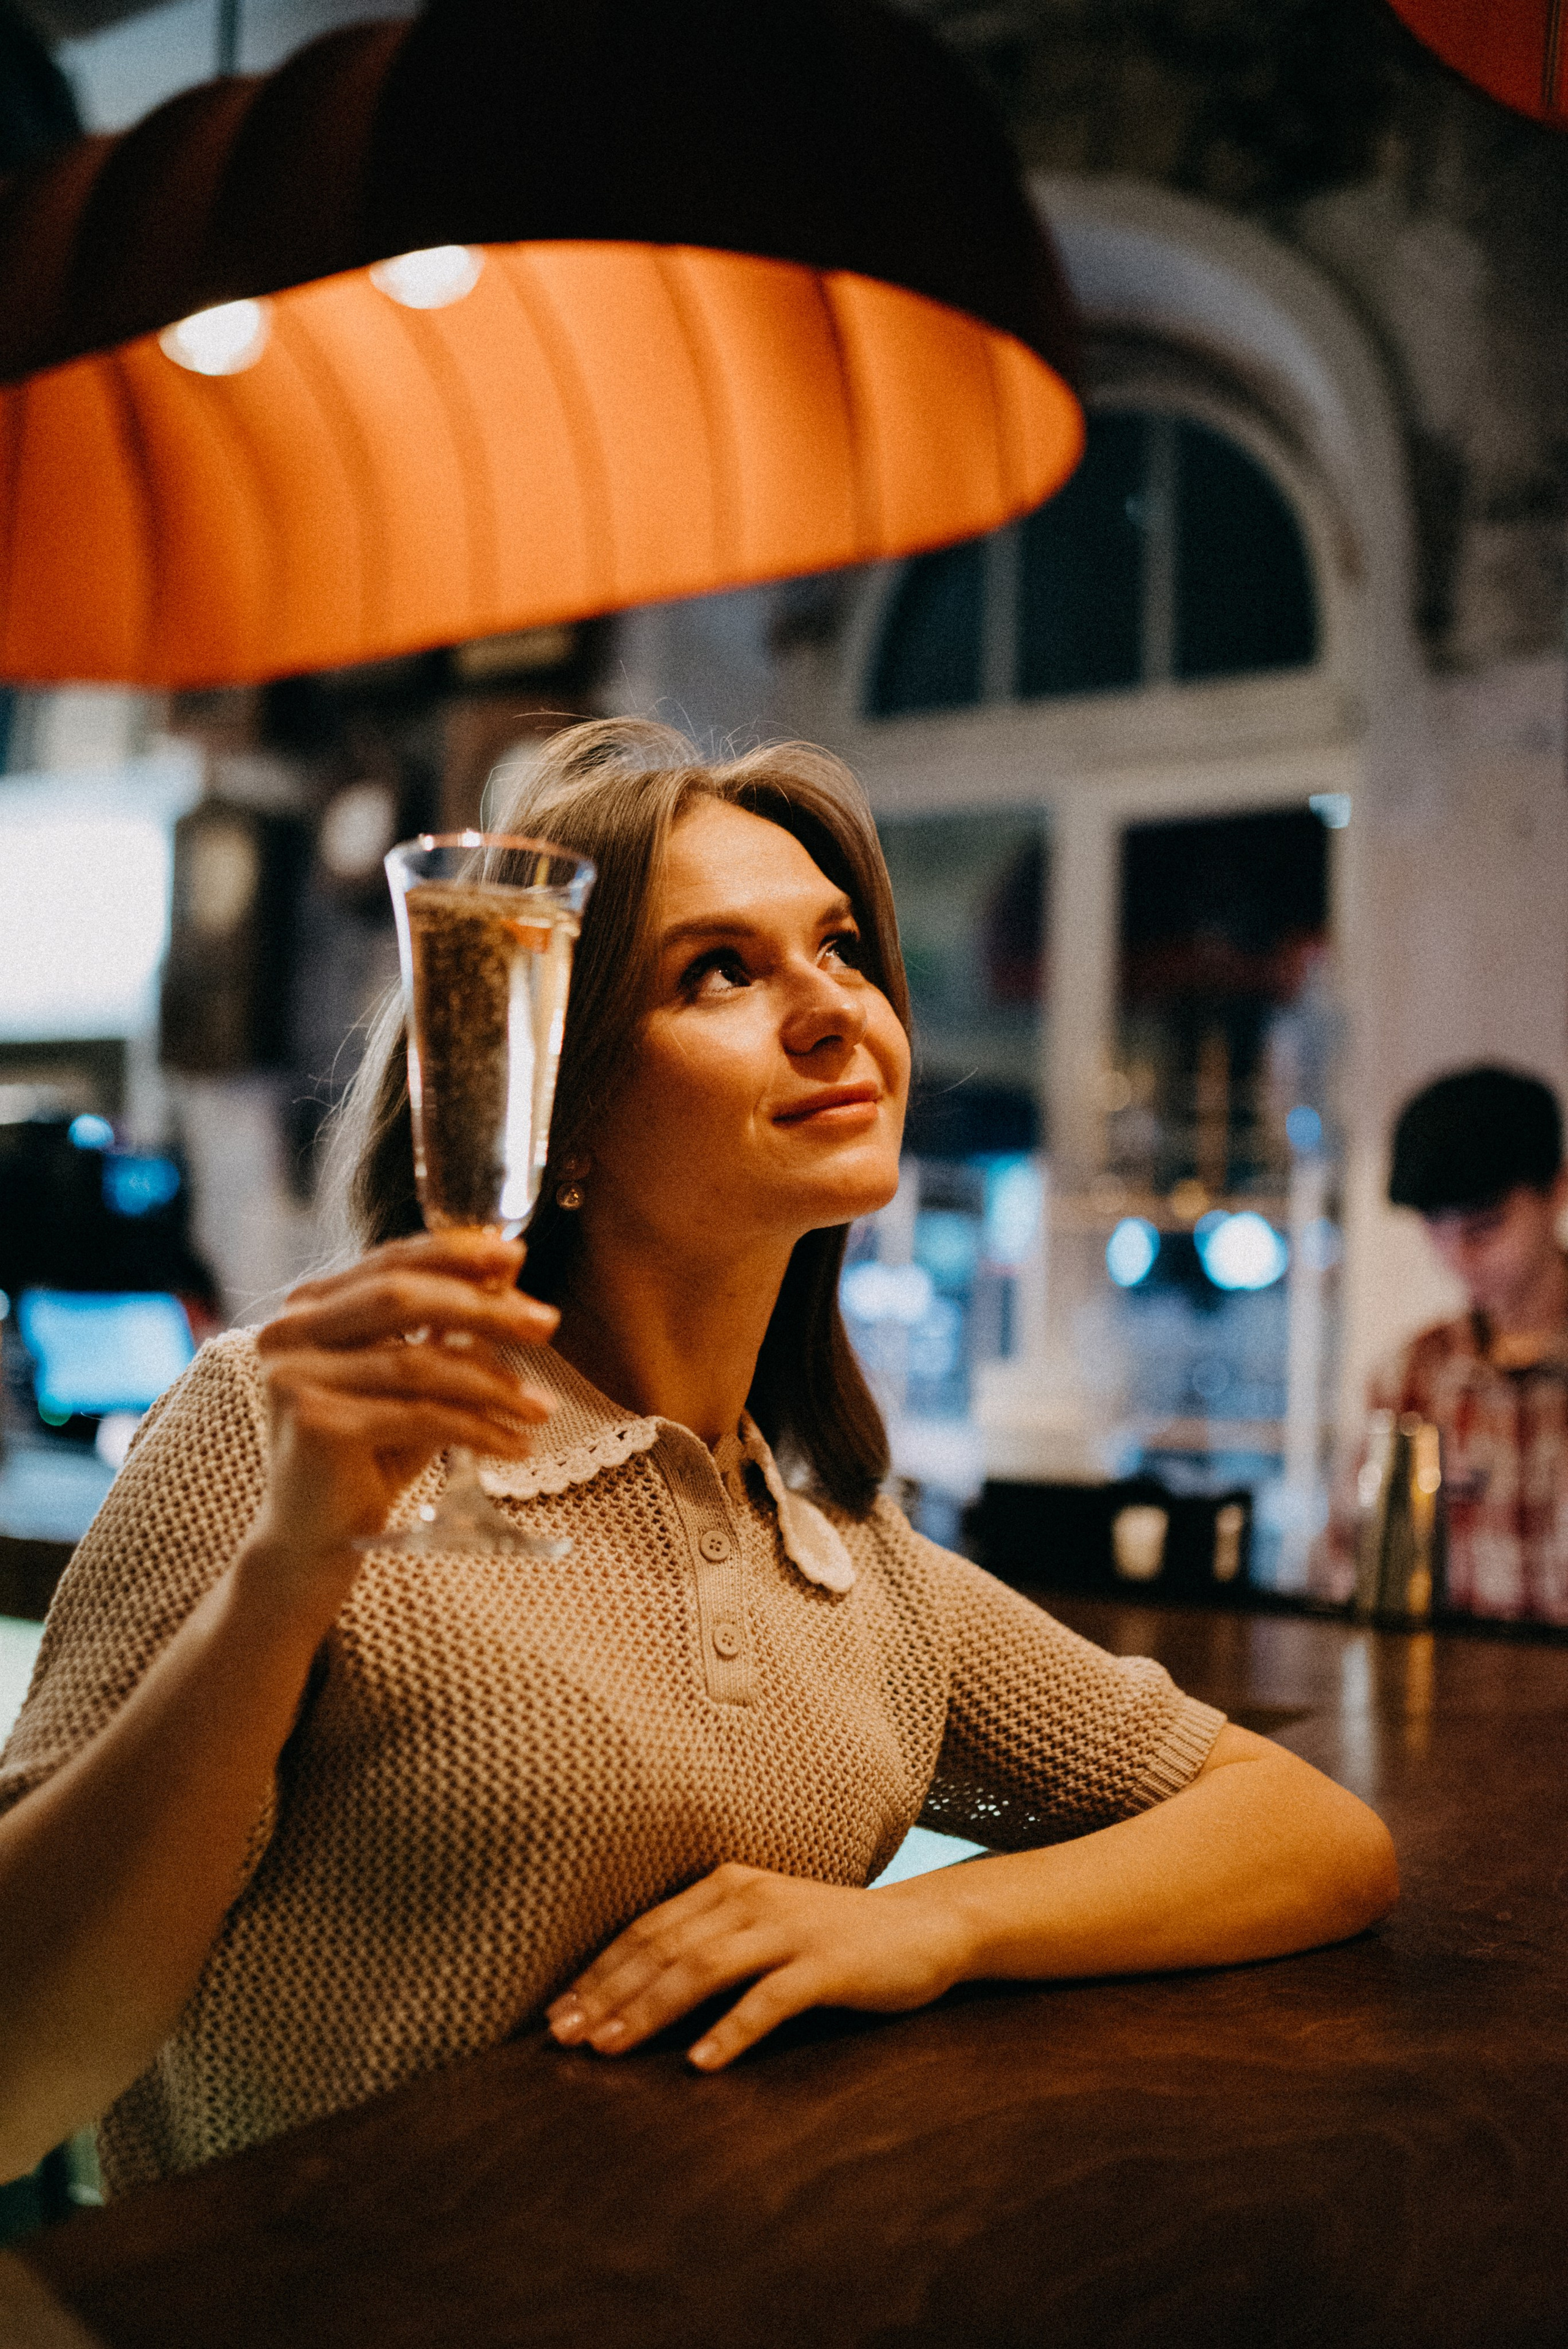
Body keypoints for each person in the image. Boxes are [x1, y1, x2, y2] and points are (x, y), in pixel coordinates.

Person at [0, 722, 1396, 2195]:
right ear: (564, 1099)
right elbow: (18, 2064)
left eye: (841, 946)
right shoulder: (280, 1424)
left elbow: (1312, 1835)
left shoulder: (840, 1563)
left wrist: (923, 1923)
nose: (827, 1007)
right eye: (717, 969)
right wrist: (288, 1572)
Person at [1315, 1063, 1568, 1623]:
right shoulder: (1410, 1377)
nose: (1457, 1257)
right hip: (1454, 1705)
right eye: (1437, 1230)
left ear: (1558, 1190)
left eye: (1484, 1227)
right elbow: (1341, 1566)